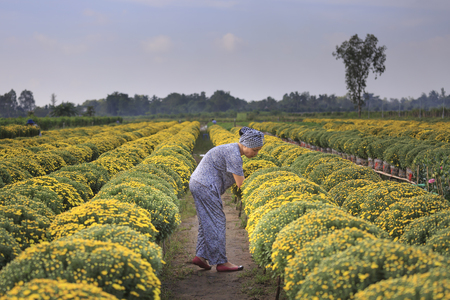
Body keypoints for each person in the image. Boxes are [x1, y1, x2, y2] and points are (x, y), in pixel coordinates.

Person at [189, 127, 264, 272]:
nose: (256, 154)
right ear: (245, 145)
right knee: (217, 221)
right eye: (255, 150)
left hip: (199, 183)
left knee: (207, 220)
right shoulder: (234, 154)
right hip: (205, 185)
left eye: (258, 150)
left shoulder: (232, 150)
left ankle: (201, 256)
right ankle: (221, 262)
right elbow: (241, 184)